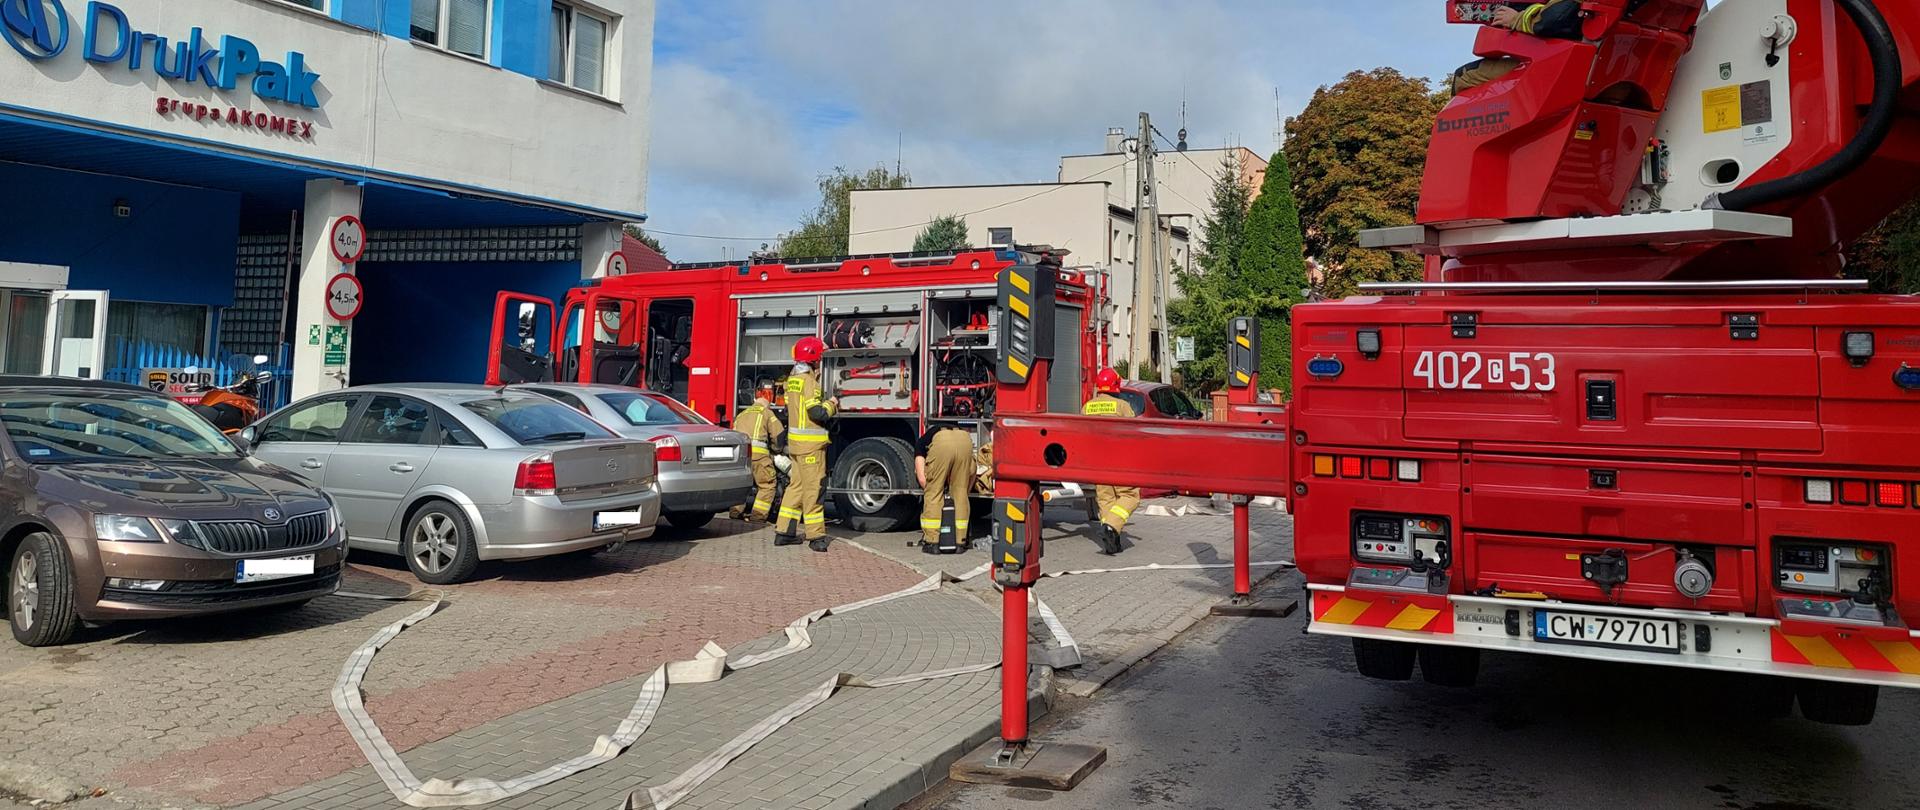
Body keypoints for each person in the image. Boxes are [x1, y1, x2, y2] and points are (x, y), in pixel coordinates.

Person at [774, 336, 837, 551]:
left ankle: (784, 532)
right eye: (819, 357)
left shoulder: (791, 380)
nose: (820, 361)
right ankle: (816, 537)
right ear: (813, 358)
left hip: (796, 445)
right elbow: (816, 412)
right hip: (811, 446)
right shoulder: (809, 382)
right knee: (813, 489)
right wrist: (832, 404)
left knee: (796, 487)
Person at [1451, 0, 1583, 93]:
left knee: (1463, 77)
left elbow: (1552, 20)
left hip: (1559, 65)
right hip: (1585, 66)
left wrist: (1515, 18)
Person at [1081, 368, 1137, 555]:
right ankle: (1112, 527)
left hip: (1097, 463)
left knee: (1106, 499)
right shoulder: (1122, 407)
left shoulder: (1087, 407)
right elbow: (1135, 434)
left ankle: (1112, 540)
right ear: (1116, 385)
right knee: (1130, 496)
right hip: (1120, 461)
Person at [729, 385, 784, 523]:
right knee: (767, 484)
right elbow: (778, 435)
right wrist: (776, 450)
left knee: (740, 484)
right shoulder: (767, 413)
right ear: (767, 404)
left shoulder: (741, 414)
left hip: (741, 457)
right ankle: (758, 516)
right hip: (759, 457)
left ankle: (735, 512)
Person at [915, 423, 974, 548]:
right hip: (965, 440)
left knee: (933, 494)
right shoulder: (959, 433)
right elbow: (973, 471)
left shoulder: (921, 444)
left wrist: (934, 489)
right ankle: (960, 541)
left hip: (943, 443)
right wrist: (965, 490)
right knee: (960, 494)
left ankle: (932, 541)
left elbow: (922, 479)